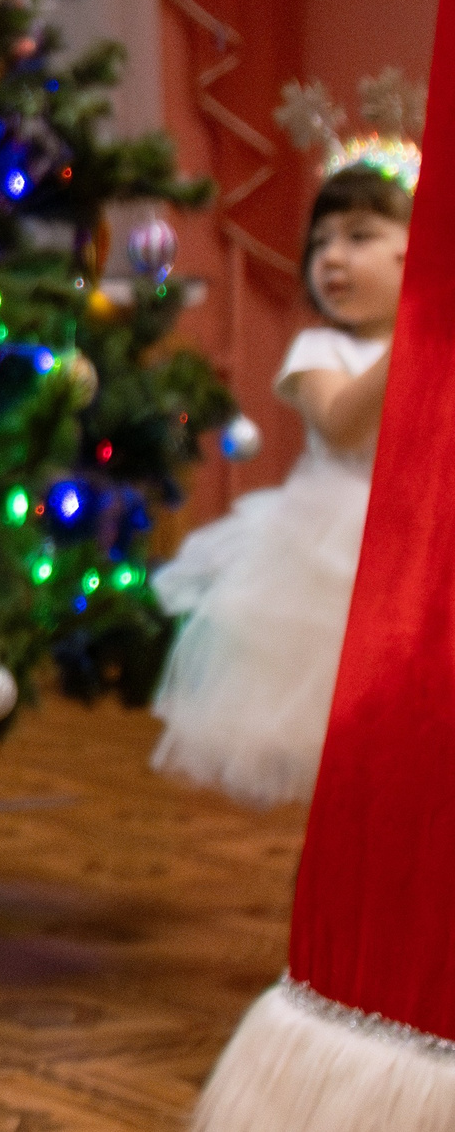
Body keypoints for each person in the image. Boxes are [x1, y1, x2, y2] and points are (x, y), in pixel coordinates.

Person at [150, 157, 409, 808]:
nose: (332, 257)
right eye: (321, 242)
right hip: (336, 550)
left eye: (359, 235)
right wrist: (412, 345)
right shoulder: (320, 351)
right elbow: (342, 425)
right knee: (355, 731)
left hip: (426, 542)